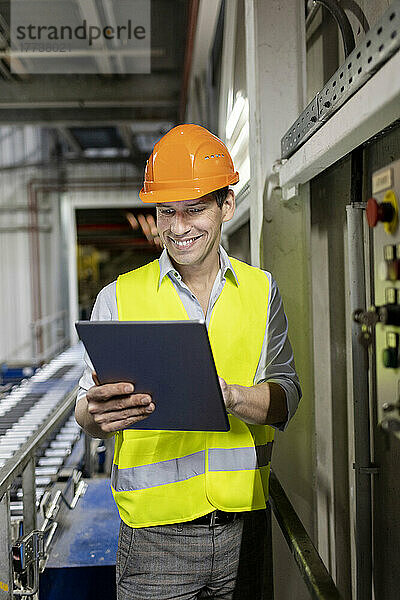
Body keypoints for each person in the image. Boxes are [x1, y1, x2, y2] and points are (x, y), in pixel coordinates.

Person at [75, 124, 301, 600]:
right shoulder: (118, 299)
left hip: (245, 530)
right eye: (166, 212)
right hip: (155, 544)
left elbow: (286, 397)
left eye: (195, 209)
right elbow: (85, 408)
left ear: (227, 206)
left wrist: (232, 396)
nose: (177, 229)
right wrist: (93, 414)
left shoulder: (262, 292)